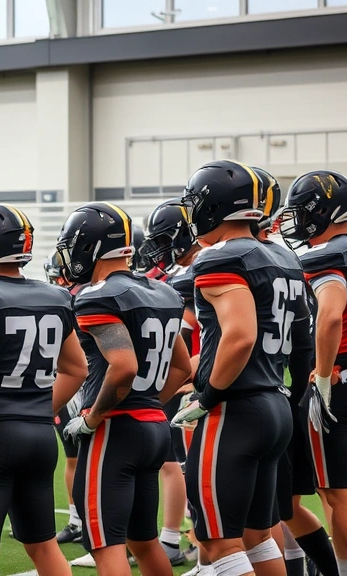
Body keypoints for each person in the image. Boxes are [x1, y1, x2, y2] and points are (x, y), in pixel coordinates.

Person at [173, 160, 305, 576]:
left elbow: (240, 335)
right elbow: (303, 342)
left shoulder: (220, 258)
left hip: (235, 407)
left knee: (217, 539)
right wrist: (295, 395)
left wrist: (208, 394)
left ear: (212, 206)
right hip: (273, 403)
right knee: (257, 535)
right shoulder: (283, 257)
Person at [0, 204, 88, 576]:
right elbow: (77, 368)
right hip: (39, 436)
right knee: (43, 547)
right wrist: (38, 408)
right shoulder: (55, 296)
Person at [56, 202, 192, 576]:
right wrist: (150, 403)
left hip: (116, 429)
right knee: (144, 542)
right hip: (154, 426)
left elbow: (124, 366)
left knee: (105, 544)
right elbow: (181, 366)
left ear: (90, 247)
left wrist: (92, 417)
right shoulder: (163, 293)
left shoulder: (97, 295)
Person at [278, 170, 347, 576]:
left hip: (342, 384)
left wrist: (323, 376)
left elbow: (329, 316)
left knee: (338, 492)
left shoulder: (325, 256)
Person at [141, 199, 202, 568]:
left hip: (200, 387)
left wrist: (191, 372)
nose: (159, 249)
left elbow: (215, 334)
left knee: (188, 471)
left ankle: (203, 554)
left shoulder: (197, 273)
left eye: (165, 240)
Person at [42, 251, 85, 545]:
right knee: (72, 456)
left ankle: (96, 523)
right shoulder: (63, 300)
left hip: (89, 385)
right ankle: (76, 520)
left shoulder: (90, 297)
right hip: (69, 382)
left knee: (92, 459)